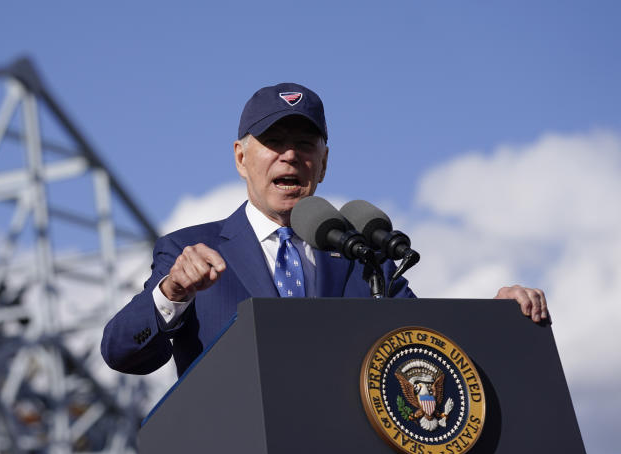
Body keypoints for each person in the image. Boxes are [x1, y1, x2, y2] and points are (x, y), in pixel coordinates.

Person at [101, 83, 547, 377]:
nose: (290, 156)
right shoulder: (188, 250)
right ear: (241, 157)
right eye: (274, 142)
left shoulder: (366, 256)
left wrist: (496, 320)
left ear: (325, 161)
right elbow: (123, 351)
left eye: (304, 143)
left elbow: (426, 351)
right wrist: (173, 291)